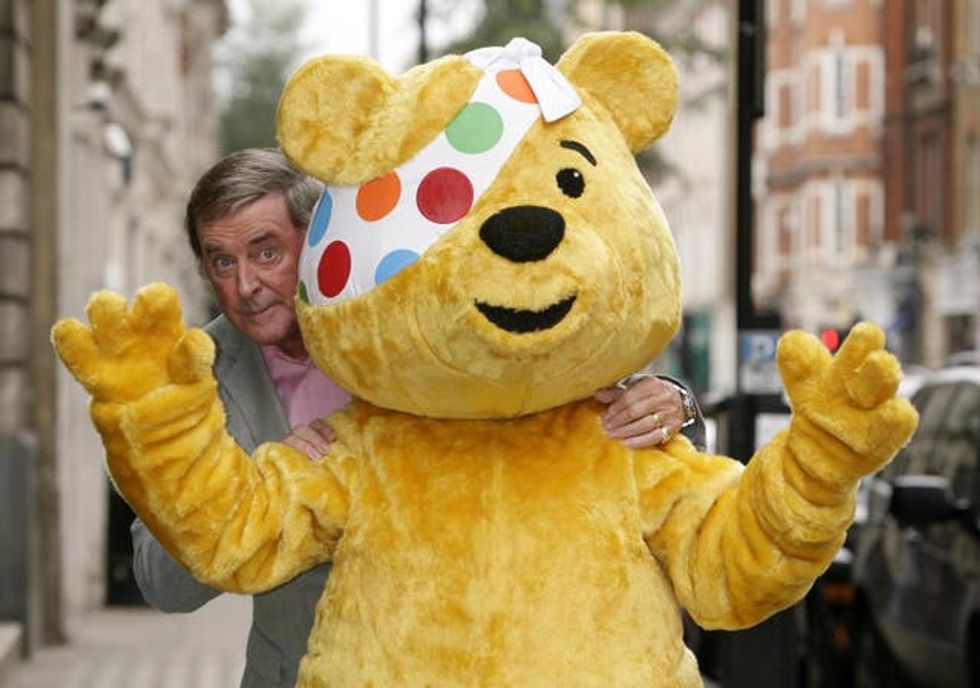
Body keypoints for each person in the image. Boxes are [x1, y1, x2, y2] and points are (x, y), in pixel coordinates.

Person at [131, 147, 705, 688]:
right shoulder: (189, 384)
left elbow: (544, 387)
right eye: (221, 262)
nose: (246, 286)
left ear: (314, 244)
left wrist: (671, 402)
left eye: (266, 252)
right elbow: (160, 582)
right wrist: (250, 485)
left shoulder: (413, 321)